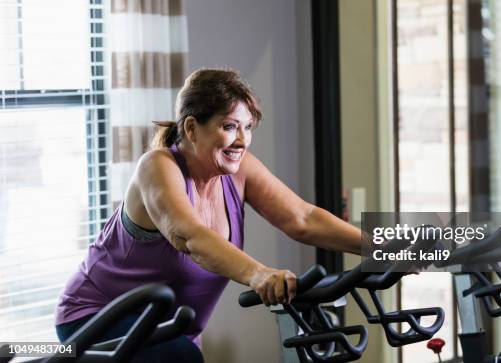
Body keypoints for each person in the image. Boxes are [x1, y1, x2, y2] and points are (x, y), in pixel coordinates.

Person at [54, 68, 363, 362]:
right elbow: (189, 237)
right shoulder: (158, 167)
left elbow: (303, 218)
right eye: (229, 126)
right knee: (181, 356)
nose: (242, 140)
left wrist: (398, 243)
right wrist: (258, 274)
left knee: (182, 354)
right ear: (191, 128)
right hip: (93, 319)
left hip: (169, 333)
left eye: (248, 127)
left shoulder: (239, 168)